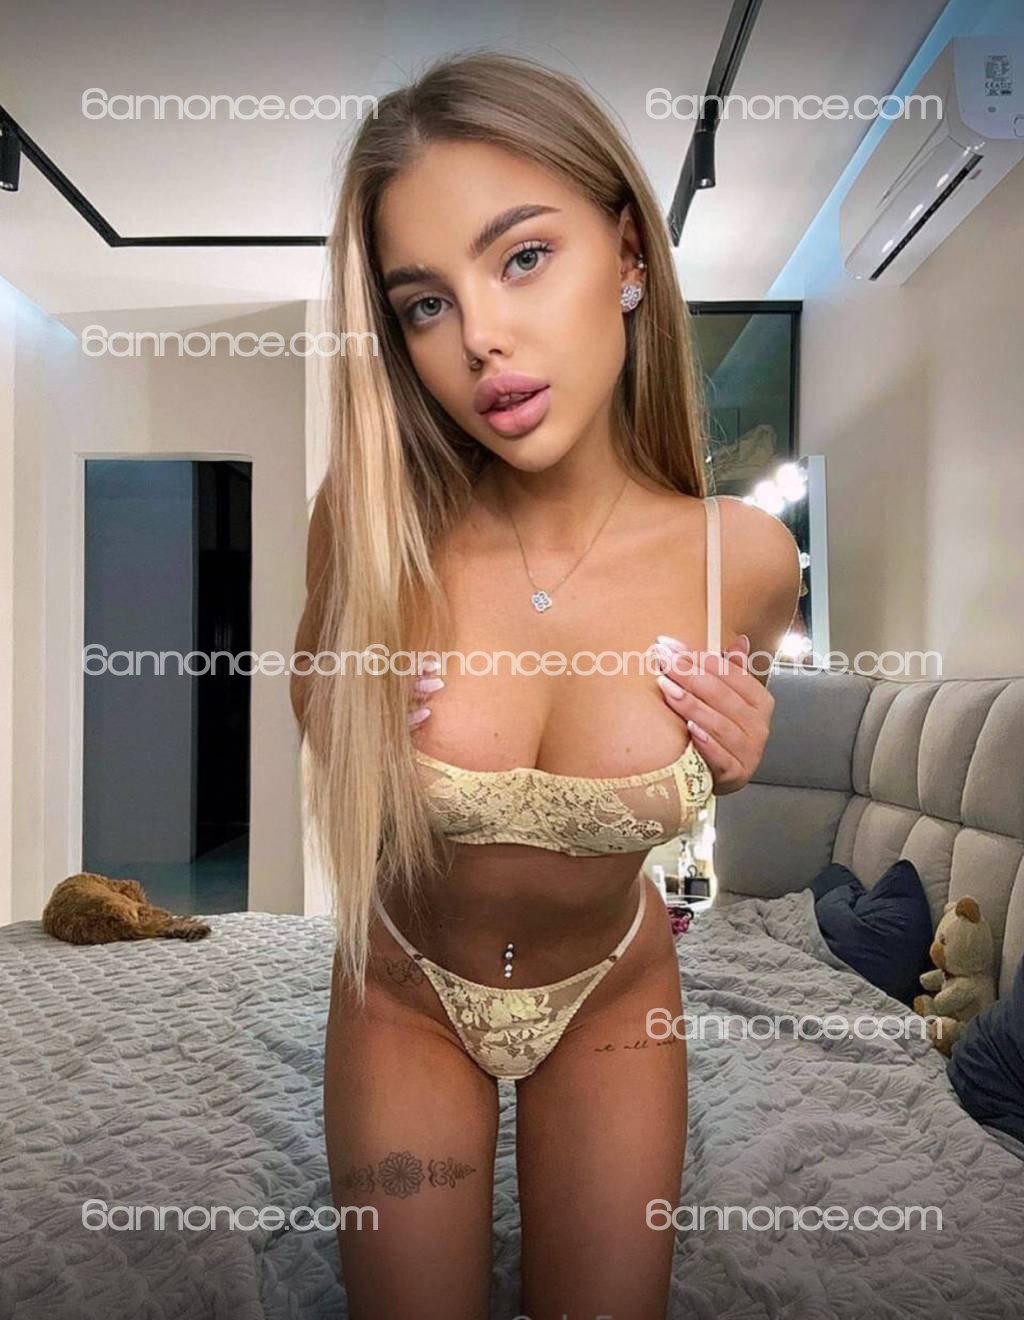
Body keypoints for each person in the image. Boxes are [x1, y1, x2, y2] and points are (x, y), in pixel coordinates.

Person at [291, 50, 801, 1320]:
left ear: (627, 255)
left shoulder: (741, 559)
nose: (480, 338)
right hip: (405, 989)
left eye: (522, 257)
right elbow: (313, 692)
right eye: (425, 303)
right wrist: (347, 707)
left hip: (614, 994)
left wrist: (737, 763)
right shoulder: (372, 522)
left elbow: (713, 756)